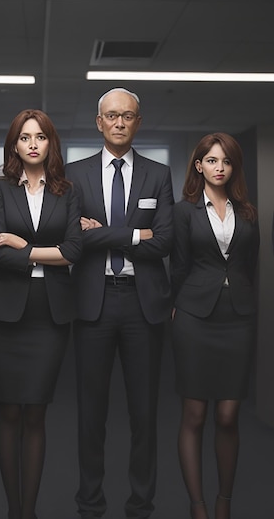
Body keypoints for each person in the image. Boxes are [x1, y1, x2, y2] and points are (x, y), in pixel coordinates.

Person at [65, 88, 174, 519]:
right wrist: (135, 234)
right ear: (98, 122)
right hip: (92, 303)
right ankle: (90, 503)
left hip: (143, 305)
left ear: (138, 122)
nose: (119, 123)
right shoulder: (74, 175)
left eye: (127, 116)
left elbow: (164, 241)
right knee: (91, 413)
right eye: (111, 115)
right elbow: (74, 239)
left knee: (144, 414)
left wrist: (104, 233)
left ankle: (140, 503)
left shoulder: (158, 174)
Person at [0, 109, 82, 519]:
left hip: (49, 314)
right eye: (25, 137)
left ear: (50, 143)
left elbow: (74, 250)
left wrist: (23, 246)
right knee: (7, 411)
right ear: (15, 145)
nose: (33, 143)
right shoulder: (0, 188)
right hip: (5, 314)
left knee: (36, 412)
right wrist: (44, 254)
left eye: (40, 136)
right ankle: (12, 510)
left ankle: (29, 511)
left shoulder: (67, 191)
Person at [170, 133, 260, 519]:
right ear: (199, 166)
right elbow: (178, 264)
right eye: (211, 161)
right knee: (195, 415)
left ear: (232, 167)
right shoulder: (183, 211)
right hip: (193, 318)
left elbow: (249, 266)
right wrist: (177, 305)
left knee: (228, 415)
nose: (219, 168)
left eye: (225, 162)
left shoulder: (248, 212)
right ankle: (199, 505)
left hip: (237, 318)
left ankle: (224, 501)